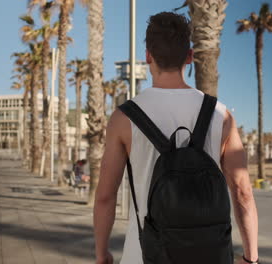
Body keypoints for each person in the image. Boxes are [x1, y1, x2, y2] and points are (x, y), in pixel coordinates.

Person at [93, 12, 259, 264]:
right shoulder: (220, 115)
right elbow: (242, 191)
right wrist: (251, 258)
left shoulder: (123, 118)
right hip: (210, 256)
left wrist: (101, 254)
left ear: (148, 56)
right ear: (190, 57)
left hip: (144, 256)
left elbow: (106, 196)